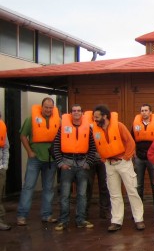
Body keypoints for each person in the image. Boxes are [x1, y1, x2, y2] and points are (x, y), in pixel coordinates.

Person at [93, 105, 145, 232]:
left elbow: (130, 142)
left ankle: (139, 219)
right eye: (94, 117)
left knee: (132, 191)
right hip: (109, 164)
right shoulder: (96, 129)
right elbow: (98, 146)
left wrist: (127, 157)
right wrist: (104, 159)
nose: (94, 119)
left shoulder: (119, 126)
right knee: (114, 194)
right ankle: (116, 221)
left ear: (105, 116)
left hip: (123, 162)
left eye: (97, 117)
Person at [52, 105, 97, 230]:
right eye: (74, 111)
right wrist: (61, 163)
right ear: (70, 113)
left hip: (82, 164)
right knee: (65, 195)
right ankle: (63, 220)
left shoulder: (88, 128)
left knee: (82, 195)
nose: (76, 113)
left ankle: (81, 220)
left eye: (78, 111)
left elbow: (92, 148)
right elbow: (56, 146)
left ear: (82, 113)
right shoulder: (63, 128)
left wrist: (88, 163)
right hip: (67, 164)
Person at [17, 97, 60, 226]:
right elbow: (23, 135)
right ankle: (22, 215)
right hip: (35, 159)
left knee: (48, 188)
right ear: (42, 107)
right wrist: (29, 151)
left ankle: (46, 215)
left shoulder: (58, 120)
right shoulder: (31, 119)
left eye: (50, 107)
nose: (48, 110)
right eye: (46, 107)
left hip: (51, 160)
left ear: (53, 108)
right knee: (28, 187)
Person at [131, 104, 154, 211]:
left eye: (146, 110)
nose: (144, 112)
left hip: (152, 158)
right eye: (142, 110)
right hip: (139, 158)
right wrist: (133, 153)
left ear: (150, 112)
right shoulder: (135, 124)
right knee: (138, 185)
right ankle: (138, 210)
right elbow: (131, 139)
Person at [84, 110, 110, 219]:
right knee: (87, 186)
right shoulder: (88, 127)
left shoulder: (107, 127)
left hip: (103, 160)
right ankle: (84, 212)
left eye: (97, 116)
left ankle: (105, 211)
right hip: (90, 160)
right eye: (94, 116)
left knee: (104, 186)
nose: (96, 118)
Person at [0, 113, 11, 230]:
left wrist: (4, 166)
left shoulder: (2, 129)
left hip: (0, 169)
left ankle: (0, 220)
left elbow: (5, 148)